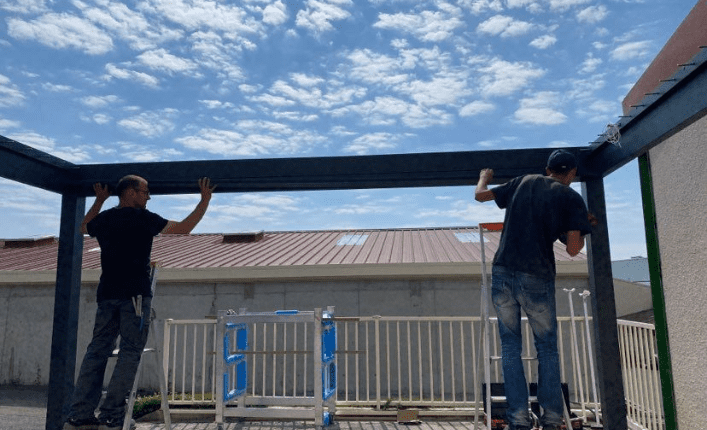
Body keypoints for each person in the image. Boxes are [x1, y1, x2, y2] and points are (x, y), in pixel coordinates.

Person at [64, 175, 216, 430]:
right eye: (145, 192)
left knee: (97, 352)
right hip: (134, 297)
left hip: (107, 297)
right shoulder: (142, 218)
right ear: (131, 193)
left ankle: (79, 416)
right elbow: (184, 228)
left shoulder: (105, 219)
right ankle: (112, 416)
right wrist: (204, 201)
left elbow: (83, 227)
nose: (148, 197)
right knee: (130, 353)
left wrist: (99, 200)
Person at [475, 149, 593, 430]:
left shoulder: (523, 181)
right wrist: (582, 227)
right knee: (547, 350)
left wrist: (483, 177)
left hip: (503, 272)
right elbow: (574, 249)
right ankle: (552, 420)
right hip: (537, 276)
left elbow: (481, 196)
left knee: (510, 347)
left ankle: (518, 420)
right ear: (572, 174)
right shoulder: (571, 198)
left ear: (547, 168)